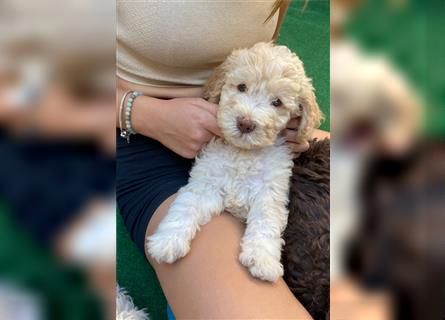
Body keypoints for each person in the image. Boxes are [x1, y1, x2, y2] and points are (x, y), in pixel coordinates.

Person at [117, 1, 328, 318]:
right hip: (137, 136)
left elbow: (261, 62)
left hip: (253, 141)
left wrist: (292, 124)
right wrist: (143, 113)